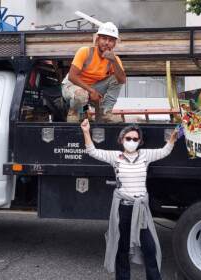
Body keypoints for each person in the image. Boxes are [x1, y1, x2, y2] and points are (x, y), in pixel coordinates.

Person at [81, 119, 178, 279]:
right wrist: (85, 131)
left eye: (135, 139)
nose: (132, 142)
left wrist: (173, 136)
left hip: (140, 211)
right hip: (123, 209)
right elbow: (92, 151)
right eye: (128, 138)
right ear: (121, 140)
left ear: (140, 142)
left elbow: (165, 150)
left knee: (149, 248)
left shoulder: (145, 155)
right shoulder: (115, 157)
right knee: (122, 248)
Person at [62, 22, 126, 123]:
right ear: (97, 39)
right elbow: (72, 76)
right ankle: (74, 111)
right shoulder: (85, 52)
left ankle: (106, 112)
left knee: (116, 79)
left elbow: (122, 80)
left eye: (111, 40)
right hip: (72, 85)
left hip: (92, 87)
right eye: (104, 38)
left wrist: (113, 61)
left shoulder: (115, 59)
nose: (107, 43)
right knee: (81, 95)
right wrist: (92, 91)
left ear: (114, 44)